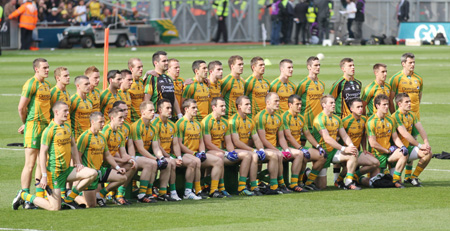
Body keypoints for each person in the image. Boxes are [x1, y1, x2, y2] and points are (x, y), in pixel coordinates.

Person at [12, 101, 98, 211]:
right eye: (65, 111)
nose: (68, 113)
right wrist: (44, 176)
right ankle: (24, 195)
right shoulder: (49, 130)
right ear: (56, 112)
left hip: (66, 171)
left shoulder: (67, 126)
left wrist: (77, 162)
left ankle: (68, 199)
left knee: (92, 173)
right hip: (54, 174)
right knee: (54, 208)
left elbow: (73, 145)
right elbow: (42, 154)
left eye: (68, 110)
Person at [202, 97, 254, 196]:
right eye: (221, 106)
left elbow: (229, 142)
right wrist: (225, 153)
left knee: (247, 155)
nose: (224, 108)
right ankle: (217, 189)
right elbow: (208, 144)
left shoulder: (225, 122)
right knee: (219, 156)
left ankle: (242, 187)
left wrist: (231, 152)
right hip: (208, 152)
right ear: (214, 107)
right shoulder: (206, 121)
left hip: (221, 151)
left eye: (224, 106)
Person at [255, 92, 306, 194]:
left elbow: (281, 137)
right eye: (276, 101)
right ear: (268, 102)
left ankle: (293, 184)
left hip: (275, 147)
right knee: (277, 154)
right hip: (263, 148)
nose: (279, 103)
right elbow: (262, 139)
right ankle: (276, 185)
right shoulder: (261, 116)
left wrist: (286, 149)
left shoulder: (278, 117)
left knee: (299, 154)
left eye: (279, 100)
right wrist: (276, 150)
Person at [17, 58, 51, 209]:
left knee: (41, 162)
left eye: (48, 67)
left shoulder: (47, 85)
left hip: (45, 126)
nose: (47, 70)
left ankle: (37, 196)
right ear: (36, 69)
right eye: (44, 67)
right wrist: (26, 123)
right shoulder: (31, 83)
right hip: (34, 126)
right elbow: (21, 107)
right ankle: (24, 195)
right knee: (30, 164)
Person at [228, 96, 279, 195]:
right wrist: (253, 150)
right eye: (246, 104)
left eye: (250, 104)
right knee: (254, 155)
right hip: (235, 149)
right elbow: (236, 142)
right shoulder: (233, 120)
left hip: (246, 149)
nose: (250, 106)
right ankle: (245, 186)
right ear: (239, 106)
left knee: (274, 155)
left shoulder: (250, 121)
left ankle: (274, 185)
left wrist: (261, 149)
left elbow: (256, 138)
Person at [77, 111, 128, 207]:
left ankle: (100, 194)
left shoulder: (102, 136)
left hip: (100, 171)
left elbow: (107, 155)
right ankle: (72, 195)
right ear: (93, 122)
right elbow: (77, 156)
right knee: (91, 205)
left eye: (104, 122)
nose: (103, 124)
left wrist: (117, 167)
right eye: (100, 122)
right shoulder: (84, 137)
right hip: (90, 174)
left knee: (122, 177)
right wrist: (83, 173)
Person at [177, 99, 226, 198]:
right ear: (186, 109)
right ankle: (197, 190)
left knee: (218, 161)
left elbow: (201, 142)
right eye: (193, 108)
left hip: (197, 154)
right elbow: (179, 144)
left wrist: (202, 152)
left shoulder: (198, 124)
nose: (196, 110)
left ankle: (213, 190)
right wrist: (194, 153)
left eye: (196, 107)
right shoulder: (180, 123)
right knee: (196, 161)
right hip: (185, 154)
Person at [311, 95, 361, 190]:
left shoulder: (337, 118)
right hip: (323, 153)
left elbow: (344, 135)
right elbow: (327, 139)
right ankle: (308, 173)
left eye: (334, 102)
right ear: (324, 105)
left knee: (353, 154)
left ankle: (347, 182)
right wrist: (343, 148)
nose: (334, 104)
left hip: (333, 152)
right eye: (331, 103)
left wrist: (351, 146)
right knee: (322, 186)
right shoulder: (319, 119)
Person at [281, 94, 326, 191]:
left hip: (298, 147)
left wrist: (318, 146)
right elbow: (288, 136)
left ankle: (308, 182)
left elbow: (308, 134)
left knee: (322, 156)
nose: (300, 106)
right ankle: (295, 183)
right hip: (287, 147)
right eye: (297, 104)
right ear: (290, 105)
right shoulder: (284, 116)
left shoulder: (301, 117)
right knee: (301, 154)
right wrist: (300, 148)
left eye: (301, 104)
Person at [131, 101, 171, 203]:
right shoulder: (136, 126)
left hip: (146, 155)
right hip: (135, 155)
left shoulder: (153, 127)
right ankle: (142, 194)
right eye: (150, 110)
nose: (153, 112)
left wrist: (161, 158)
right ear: (143, 112)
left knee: (167, 163)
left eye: (153, 110)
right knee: (152, 163)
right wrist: (155, 159)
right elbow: (140, 149)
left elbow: (156, 148)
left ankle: (160, 193)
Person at [366, 94, 409, 188]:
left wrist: (402, 147)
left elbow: (395, 138)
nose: (387, 107)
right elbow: (372, 143)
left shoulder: (390, 120)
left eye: (387, 104)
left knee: (403, 153)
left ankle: (396, 180)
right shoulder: (371, 121)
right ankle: (358, 179)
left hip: (389, 154)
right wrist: (386, 151)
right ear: (377, 106)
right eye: (384, 105)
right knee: (375, 183)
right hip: (377, 155)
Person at [337, 98, 380, 188]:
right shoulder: (345, 121)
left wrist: (364, 148)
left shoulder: (364, 120)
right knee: (351, 161)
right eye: (358, 107)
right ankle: (339, 180)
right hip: (345, 151)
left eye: (361, 107)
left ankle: (355, 176)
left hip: (357, 151)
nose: (361, 109)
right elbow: (338, 137)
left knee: (375, 163)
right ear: (351, 109)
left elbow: (363, 135)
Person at [392, 93, 432, 187]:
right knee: (394, 181)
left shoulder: (412, 115)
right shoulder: (395, 116)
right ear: (399, 104)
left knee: (428, 153)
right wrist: (419, 145)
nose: (410, 103)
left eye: (410, 101)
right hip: (395, 151)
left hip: (406, 149)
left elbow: (421, 129)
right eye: (407, 102)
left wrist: (426, 143)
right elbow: (405, 134)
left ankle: (413, 178)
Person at [101, 107, 138, 205]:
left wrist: (130, 159)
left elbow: (123, 153)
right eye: (120, 118)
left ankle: (118, 195)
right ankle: (105, 194)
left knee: (133, 166)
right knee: (91, 203)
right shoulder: (105, 131)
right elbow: (103, 155)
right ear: (112, 118)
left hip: (111, 163)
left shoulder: (120, 134)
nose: (123, 120)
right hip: (100, 165)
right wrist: (120, 161)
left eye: (123, 118)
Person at [151, 99, 183, 201]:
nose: (170, 110)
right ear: (160, 110)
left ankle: (174, 192)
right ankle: (164, 192)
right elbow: (158, 146)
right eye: (167, 108)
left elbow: (175, 144)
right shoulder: (155, 124)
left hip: (168, 154)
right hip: (156, 154)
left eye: (171, 108)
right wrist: (169, 157)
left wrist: (179, 157)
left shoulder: (172, 125)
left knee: (178, 162)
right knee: (170, 163)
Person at [144, 51, 183, 120]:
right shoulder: (152, 78)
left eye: (167, 60)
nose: (167, 63)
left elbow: (173, 96)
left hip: (169, 116)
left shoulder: (168, 78)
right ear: (156, 63)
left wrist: (179, 114)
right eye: (164, 61)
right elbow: (147, 98)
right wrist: (150, 115)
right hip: (157, 117)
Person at [296, 56, 325, 144]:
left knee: (319, 148)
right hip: (305, 122)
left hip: (318, 122)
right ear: (309, 67)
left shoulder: (321, 84)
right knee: (301, 146)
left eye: (319, 65)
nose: (318, 67)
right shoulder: (303, 84)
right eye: (316, 65)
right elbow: (296, 100)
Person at [389, 53, 423, 119]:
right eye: (410, 63)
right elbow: (390, 99)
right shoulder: (396, 78)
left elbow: (419, 97)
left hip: (416, 117)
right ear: (403, 64)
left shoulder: (419, 79)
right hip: (401, 117)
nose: (413, 65)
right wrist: (394, 115)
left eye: (413, 62)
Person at [221, 55, 245, 119]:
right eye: (239, 64)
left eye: (242, 64)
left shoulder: (242, 81)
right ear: (232, 66)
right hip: (229, 117)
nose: (242, 66)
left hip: (239, 116)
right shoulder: (226, 81)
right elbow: (220, 98)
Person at [70, 75, 93, 140]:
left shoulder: (90, 100)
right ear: (78, 86)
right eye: (86, 84)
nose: (89, 86)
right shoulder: (73, 100)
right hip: (77, 138)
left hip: (88, 136)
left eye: (89, 84)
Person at [127, 58, 145, 122]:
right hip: (132, 121)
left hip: (142, 119)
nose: (141, 69)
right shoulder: (127, 83)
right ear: (131, 69)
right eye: (138, 67)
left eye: (142, 67)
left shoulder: (142, 81)